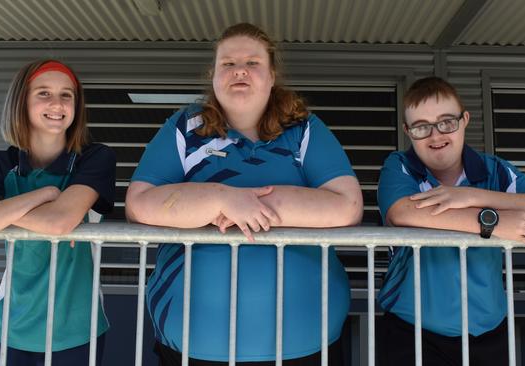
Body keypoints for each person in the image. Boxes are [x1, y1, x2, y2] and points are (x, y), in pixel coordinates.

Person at [125, 23, 363, 365]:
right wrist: (222, 199)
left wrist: (247, 205)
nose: (240, 70)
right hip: (192, 342)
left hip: (305, 342)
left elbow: (347, 205)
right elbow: (140, 202)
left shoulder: (304, 129)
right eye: (228, 63)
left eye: (253, 63)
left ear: (271, 75)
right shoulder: (184, 127)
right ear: (213, 75)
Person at [376, 76, 525, 365]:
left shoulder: (494, 170)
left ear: (465, 120)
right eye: (422, 127)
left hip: (488, 328)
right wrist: (492, 224)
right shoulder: (400, 165)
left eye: (446, 122)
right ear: (407, 132)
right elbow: (403, 212)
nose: (436, 136)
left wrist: (471, 196)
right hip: (413, 329)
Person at [0, 59, 116, 365]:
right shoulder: (0, 163)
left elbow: (59, 221)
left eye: (67, 95)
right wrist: (45, 195)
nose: (57, 103)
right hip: (11, 327)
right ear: (21, 102)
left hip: (77, 327)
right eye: (43, 93)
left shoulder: (95, 158)